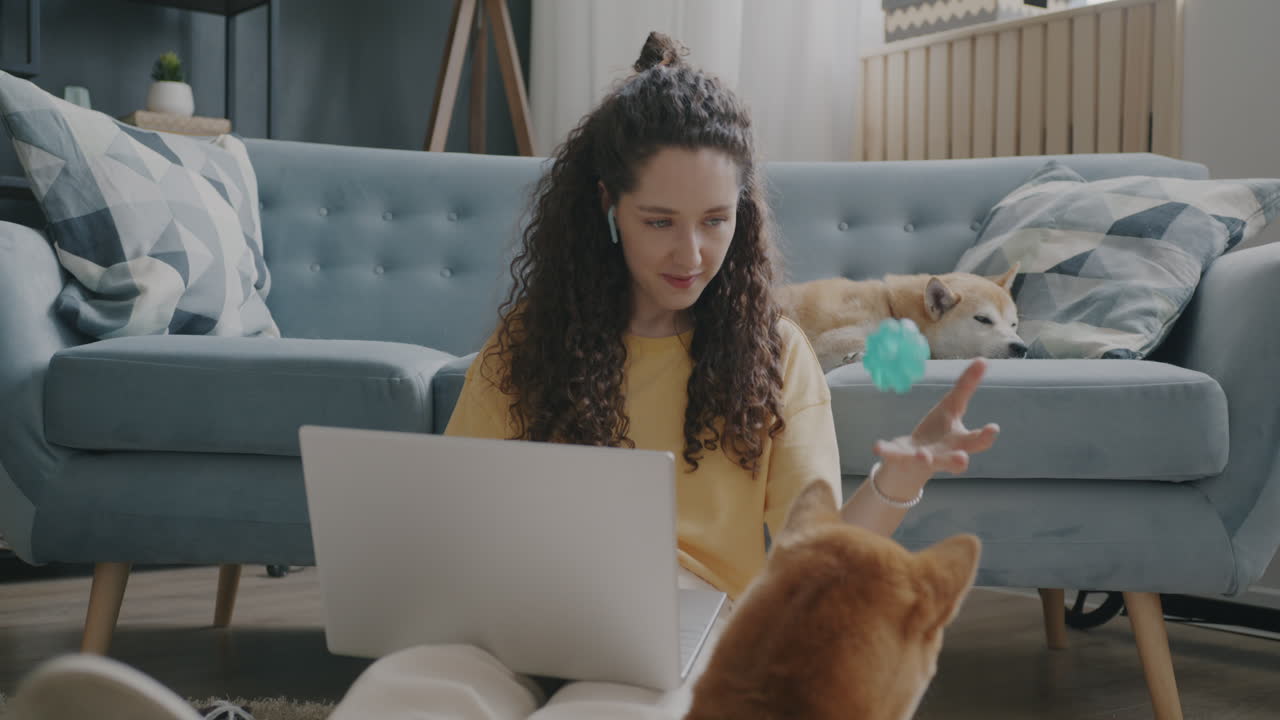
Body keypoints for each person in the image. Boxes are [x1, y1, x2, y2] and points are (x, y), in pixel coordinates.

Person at [7, 31, 998, 720]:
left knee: (614, 710)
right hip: (509, 612)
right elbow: (455, 513)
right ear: (607, 209)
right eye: (659, 221)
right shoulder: (534, 341)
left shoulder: (773, 355)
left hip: (681, 628)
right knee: (422, 691)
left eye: (715, 221)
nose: (692, 252)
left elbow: (816, 551)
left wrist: (896, 482)